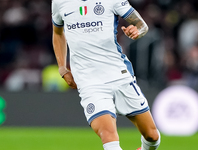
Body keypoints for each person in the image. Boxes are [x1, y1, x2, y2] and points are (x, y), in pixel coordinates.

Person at [51, 0, 161, 150]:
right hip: (89, 82)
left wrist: (137, 31)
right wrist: (63, 68)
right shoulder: (59, 2)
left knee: (152, 136)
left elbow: (142, 26)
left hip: (119, 74)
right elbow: (57, 33)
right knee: (109, 137)